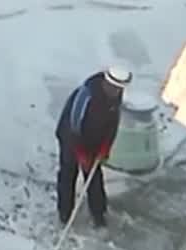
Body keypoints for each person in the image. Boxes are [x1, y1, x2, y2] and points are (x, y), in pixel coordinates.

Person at [55, 66, 131, 228]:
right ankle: (65, 214)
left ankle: (98, 213)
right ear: (106, 82)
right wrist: (81, 153)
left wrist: (105, 148)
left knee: (94, 176)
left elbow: (112, 124)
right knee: (68, 173)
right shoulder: (87, 94)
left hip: (94, 139)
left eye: (120, 88)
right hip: (71, 138)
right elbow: (73, 126)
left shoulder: (116, 96)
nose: (116, 91)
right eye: (114, 87)